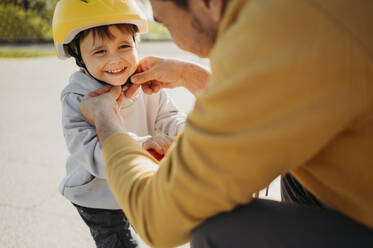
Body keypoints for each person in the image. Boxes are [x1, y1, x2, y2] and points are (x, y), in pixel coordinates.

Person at [78, 0, 373, 247]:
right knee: (300, 167)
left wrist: (106, 121)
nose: (176, 40)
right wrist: (188, 75)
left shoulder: (275, 41)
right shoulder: (288, 15)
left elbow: (157, 218)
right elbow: (269, 103)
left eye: (167, 23)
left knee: (216, 229)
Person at [52, 0, 186, 247]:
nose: (115, 59)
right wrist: (143, 146)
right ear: (78, 56)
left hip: (141, 182)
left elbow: (167, 117)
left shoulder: (146, 80)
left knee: (166, 231)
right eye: (100, 51)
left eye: (124, 45)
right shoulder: (77, 97)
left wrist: (185, 133)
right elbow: (89, 150)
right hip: (99, 196)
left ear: (136, 43)